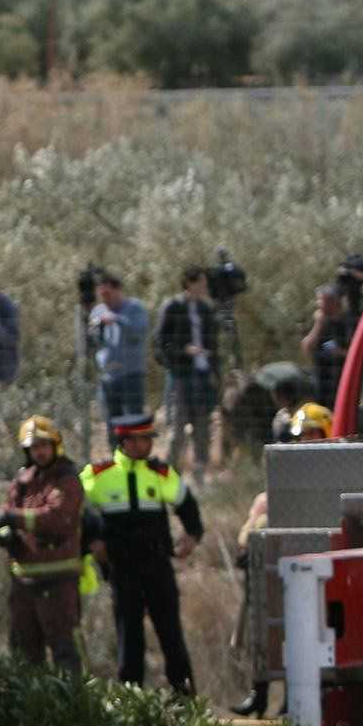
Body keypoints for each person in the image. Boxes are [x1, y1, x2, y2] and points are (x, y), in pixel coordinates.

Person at [81, 412, 202, 694]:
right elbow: (77, 509)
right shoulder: (98, 475)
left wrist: (193, 535)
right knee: (129, 637)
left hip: (157, 565)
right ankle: (130, 700)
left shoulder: (160, 473)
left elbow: (186, 503)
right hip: (122, 568)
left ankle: (184, 698)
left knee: (171, 633)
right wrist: (92, 541)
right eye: (141, 439)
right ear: (125, 441)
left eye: (149, 438)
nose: (147, 445)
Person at [232, 402, 331, 716]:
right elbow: (248, 532)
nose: (308, 442)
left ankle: (293, 700)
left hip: (317, 569)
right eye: (303, 436)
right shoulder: (274, 490)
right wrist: (254, 538)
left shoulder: (333, 478)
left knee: (305, 633)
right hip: (279, 570)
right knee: (268, 630)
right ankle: (259, 694)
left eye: (315, 434)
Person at [0, 416, 86, 672]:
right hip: (23, 582)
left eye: (44, 445)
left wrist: (13, 518)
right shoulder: (23, 481)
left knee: (64, 649)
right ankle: (31, 709)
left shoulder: (67, 480)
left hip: (58, 580)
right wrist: (5, 530)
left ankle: (71, 707)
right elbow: (9, 509)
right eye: (34, 447)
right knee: (24, 651)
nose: (40, 452)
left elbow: (57, 518)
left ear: (56, 446)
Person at [156, 266, 221, 487]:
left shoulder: (205, 309)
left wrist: (215, 373)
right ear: (189, 283)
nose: (204, 287)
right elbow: (161, 345)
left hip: (203, 375)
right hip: (181, 376)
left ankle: (200, 476)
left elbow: (214, 343)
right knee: (178, 428)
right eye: (201, 283)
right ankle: (171, 476)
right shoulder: (173, 307)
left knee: (202, 427)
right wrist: (184, 351)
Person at [89, 274, 152, 419]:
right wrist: (98, 327)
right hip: (109, 375)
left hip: (131, 374)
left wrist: (117, 320)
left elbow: (139, 331)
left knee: (134, 419)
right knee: (113, 421)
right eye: (101, 295)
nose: (105, 299)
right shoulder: (99, 311)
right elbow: (94, 342)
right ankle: (116, 443)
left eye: (107, 294)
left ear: (118, 290)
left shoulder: (135, 308)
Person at [301, 283, 355, 410]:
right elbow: (307, 348)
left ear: (334, 302)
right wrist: (319, 324)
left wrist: (340, 353)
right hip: (322, 387)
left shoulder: (349, 323)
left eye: (321, 300)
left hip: (344, 384)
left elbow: (358, 353)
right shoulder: (320, 323)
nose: (318, 304)